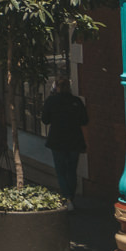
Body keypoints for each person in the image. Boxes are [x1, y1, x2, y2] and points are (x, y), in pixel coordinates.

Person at [41, 74, 88, 209]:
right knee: (72, 170)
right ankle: (70, 197)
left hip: (57, 140)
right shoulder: (76, 101)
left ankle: (67, 198)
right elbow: (84, 120)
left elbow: (45, 120)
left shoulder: (51, 101)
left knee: (61, 170)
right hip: (74, 140)